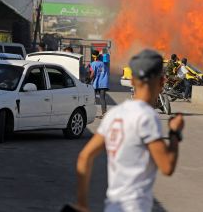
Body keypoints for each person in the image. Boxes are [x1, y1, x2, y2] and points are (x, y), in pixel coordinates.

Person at [74, 49, 184, 212]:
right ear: (161, 82)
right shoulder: (147, 117)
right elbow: (167, 167)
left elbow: (84, 157)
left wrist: (82, 204)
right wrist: (175, 133)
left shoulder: (114, 115)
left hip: (112, 207)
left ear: (132, 81)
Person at [90, 50, 109, 116]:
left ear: (93, 56)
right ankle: (104, 113)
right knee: (102, 98)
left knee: (93, 98)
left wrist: (89, 79)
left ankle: (91, 113)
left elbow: (92, 73)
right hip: (104, 84)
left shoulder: (93, 63)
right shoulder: (104, 64)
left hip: (96, 84)